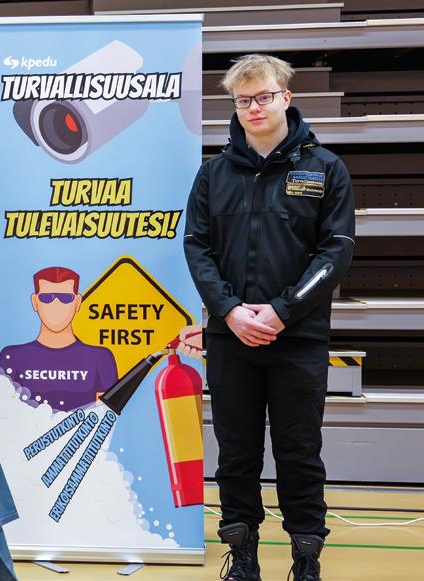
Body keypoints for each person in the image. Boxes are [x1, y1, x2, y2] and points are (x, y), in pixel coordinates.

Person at [183, 54, 355, 581]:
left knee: (299, 453)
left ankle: (306, 560)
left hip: (298, 340)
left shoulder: (325, 169)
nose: (254, 107)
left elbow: (336, 251)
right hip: (230, 339)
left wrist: (282, 311)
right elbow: (197, 248)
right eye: (243, 100)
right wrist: (229, 310)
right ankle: (243, 558)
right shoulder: (213, 173)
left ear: (286, 97)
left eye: (263, 97)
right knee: (236, 455)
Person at [0, 266, 117, 411]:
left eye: (66, 298)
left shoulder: (100, 358)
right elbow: (2, 413)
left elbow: (106, 416)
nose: (56, 305)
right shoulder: (12, 357)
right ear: (35, 302)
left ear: (77, 302)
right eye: (47, 298)